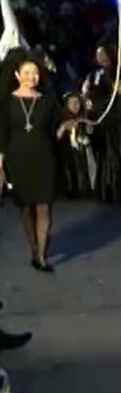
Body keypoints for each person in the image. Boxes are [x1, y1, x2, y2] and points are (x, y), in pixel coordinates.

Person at [0, 58, 74, 272]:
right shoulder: (7, 103)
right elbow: (2, 137)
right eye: (27, 72)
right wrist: (1, 167)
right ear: (17, 75)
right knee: (25, 209)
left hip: (45, 158)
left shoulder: (47, 101)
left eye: (35, 73)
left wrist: (65, 127)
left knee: (44, 207)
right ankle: (33, 247)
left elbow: (58, 126)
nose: (31, 77)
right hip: (18, 160)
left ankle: (41, 256)